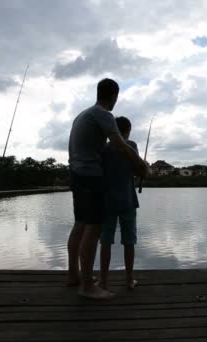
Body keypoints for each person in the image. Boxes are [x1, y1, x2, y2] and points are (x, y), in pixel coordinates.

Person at [67, 78, 148, 299]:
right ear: (114, 96)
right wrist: (140, 165)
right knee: (93, 230)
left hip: (76, 174)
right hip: (90, 176)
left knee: (80, 225)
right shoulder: (104, 115)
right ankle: (87, 286)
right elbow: (120, 144)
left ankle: (74, 275)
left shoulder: (81, 115)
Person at [98, 116, 139, 290]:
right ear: (128, 130)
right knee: (129, 241)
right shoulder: (132, 146)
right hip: (128, 200)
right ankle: (129, 279)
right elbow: (138, 169)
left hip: (107, 201)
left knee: (106, 240)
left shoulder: (104, 148)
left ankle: (104, 280)